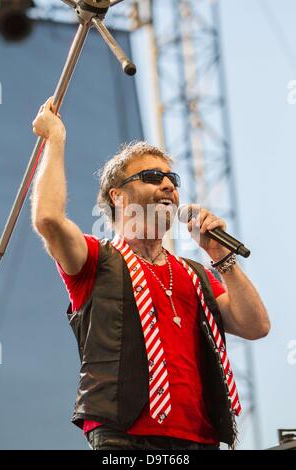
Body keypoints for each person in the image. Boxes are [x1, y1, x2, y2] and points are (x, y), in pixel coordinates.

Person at [31, 97, 270, 451]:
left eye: (172, 179)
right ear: (119, 196)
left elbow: (256, 326)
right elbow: (48, 220)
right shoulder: (98, 258)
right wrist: (56, 140)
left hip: (200, 440)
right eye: (152, 177)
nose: (169, 186)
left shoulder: (195, 274)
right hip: (124, 437)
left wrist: (221, 256)